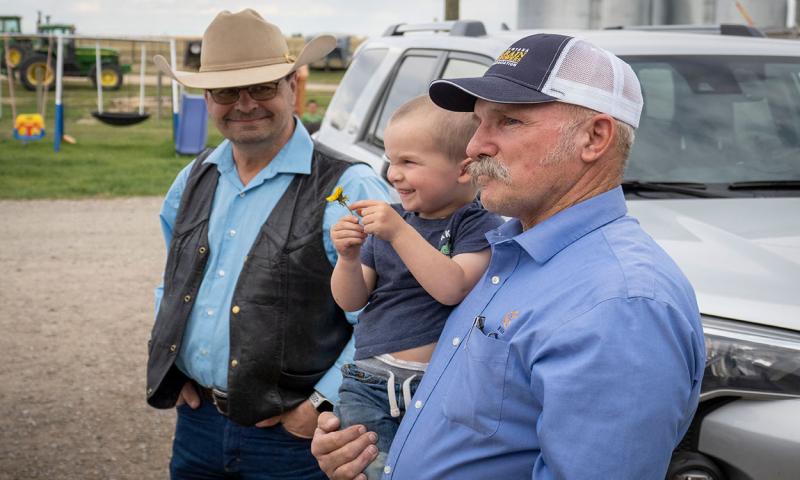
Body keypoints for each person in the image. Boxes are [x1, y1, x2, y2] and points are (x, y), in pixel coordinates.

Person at [311, 33, 706, 479]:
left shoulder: (621, 305)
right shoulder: (515, 250)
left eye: (509, 122)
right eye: (479, 122)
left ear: (595, 138)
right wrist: (362, 456)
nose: (474, 145)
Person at [147, 9, 390, 479]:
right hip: (198, 425)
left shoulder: (347, 186)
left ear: (291, 87)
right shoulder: (193, 177)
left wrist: (319, 404)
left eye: (262, 87)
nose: (245, 104)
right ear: (206, 97)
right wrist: (171, 363)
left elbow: (388, 317)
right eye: (226, 91)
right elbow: (172, 283)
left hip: (297, 442)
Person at [329, 96, 505, 479]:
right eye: (392, 160)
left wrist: (399, 232)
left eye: (409, 162)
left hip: (439, 385)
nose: (393, 174)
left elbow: (452, 287)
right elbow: (352, 300)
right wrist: (347, 258)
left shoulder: (477, 224)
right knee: (369, 469)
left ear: (464, 171)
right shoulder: (391, 222)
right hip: (368, 381)